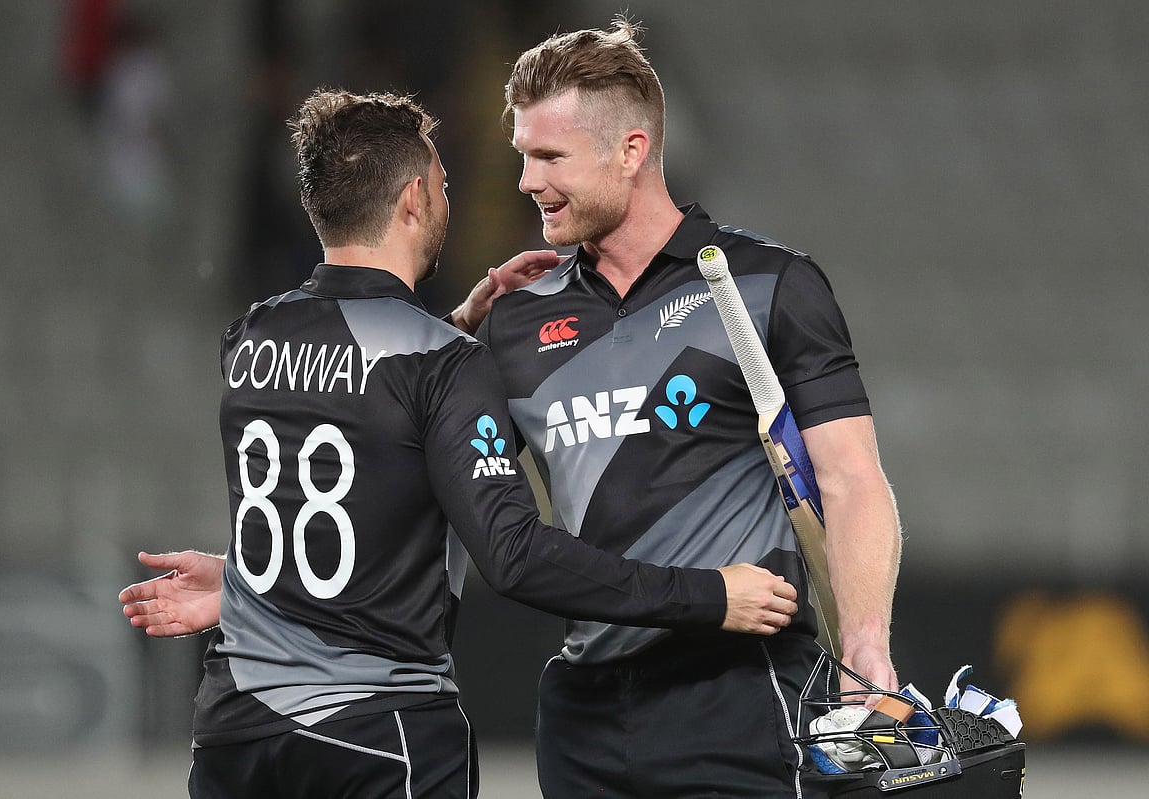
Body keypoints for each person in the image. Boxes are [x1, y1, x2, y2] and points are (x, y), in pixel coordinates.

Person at [119, 88, 802, 799]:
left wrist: (248, 581)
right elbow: (514, 555)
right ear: (415, 198)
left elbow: (358, 439)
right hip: (377, 735)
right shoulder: (443, 364)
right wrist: (709, 593)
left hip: (236, 728)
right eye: (444, 183)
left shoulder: (251, 337)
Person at [460, 19, 902, 798]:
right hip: (581, 718)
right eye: (523, 155)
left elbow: (851, 477)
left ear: (631, 151)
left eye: (549, 156)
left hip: (742, 698)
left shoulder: (771, 284)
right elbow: (432, 482)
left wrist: (866, 644)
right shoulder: (514, 319)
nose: (526, 181)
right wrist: (458, 335)